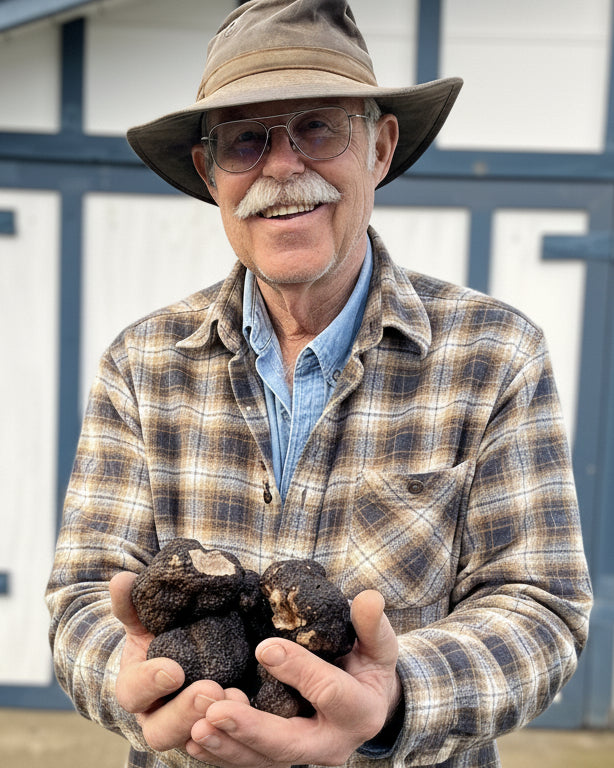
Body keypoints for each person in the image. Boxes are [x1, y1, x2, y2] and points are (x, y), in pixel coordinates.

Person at [45, 1, 593, 767]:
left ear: (379, 147)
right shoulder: (142, 364)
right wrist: (133, 683)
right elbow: (81, 598)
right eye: (245, 139)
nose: (282, 166)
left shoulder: (494, 354)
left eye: (318, 127)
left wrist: (393, 695)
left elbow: (541, 606)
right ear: (210, 174)